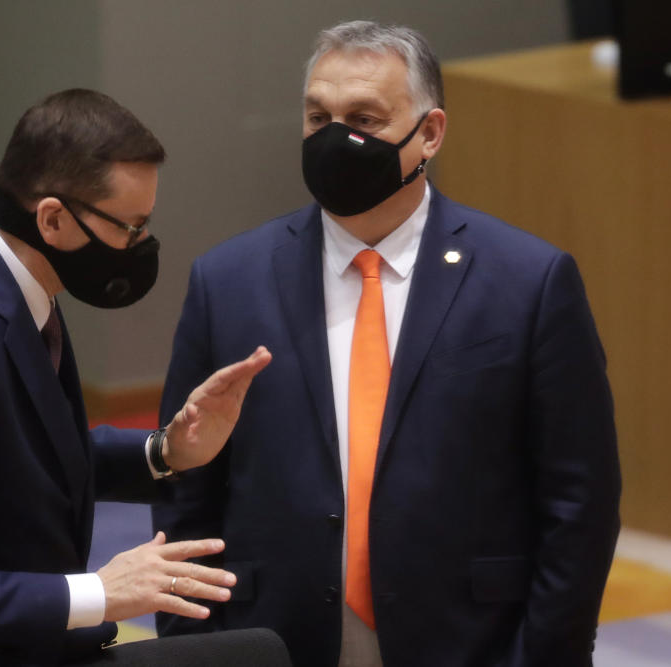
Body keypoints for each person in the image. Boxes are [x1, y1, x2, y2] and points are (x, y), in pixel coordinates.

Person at [152, 20, 621, 667]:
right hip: (274, 637)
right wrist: (193, 652)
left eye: (363, 118)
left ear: (429, 133)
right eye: (319, 117)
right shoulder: (227, 280)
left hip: (472, 638)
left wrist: (548, 653)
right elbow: (185, 488)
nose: (336, 136)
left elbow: (580, 500)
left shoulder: (529, 281)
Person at [0, 89, 272, 666]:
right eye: (131, 229)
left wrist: (166, 451)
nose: (141, 246)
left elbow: (19, 456)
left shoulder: (0, 268)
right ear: (53, 219)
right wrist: (102, 593)